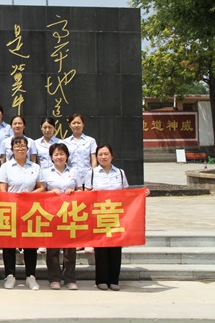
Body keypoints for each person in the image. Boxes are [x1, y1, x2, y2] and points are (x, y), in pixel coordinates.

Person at [85, 144, 147, 291]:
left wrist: (141, 194)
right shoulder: (92, 173)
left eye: (106, 154)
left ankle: (114, 280)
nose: (103, 157)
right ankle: (101, 280)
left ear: (112, 156)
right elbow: (85, 193)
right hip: (99, 215)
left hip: (116, 216)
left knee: (115, 247)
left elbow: (125, 193)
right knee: (101, 248)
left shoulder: (120, 172)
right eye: (100, 154)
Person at [0, 136, 45, 291]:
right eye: (17, 146)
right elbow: (2, 188)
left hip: (30, 210)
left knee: (30, 243)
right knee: (9, 243)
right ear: (12, 149)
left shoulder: (35, 167)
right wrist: (12, 199)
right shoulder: (6, 167)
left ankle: (30, 276)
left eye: (23, 146)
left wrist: (29, 195)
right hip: (11, 209)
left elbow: (42, 187)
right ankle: (10, 275)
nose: (20, 148)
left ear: (27, 149)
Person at [43, 142, 81, 290]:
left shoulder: (74, 171)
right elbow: (41, 192)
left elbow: (81, 190)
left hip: (70, 214)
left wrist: (74, 193)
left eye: (62, 154)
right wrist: (50, 193)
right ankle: (54, 278)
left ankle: (70, 278)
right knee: (52, 248)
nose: (59, 157)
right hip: (52, 214)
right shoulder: (46, 172)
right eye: (56, 154)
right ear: (51, 157)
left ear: (67, 156)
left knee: (70, 248)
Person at [63, 113, 98, 253]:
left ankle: (89, 241)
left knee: (89, 212)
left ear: (83, 124)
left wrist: (94, 176)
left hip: (87, 180)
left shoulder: (90, 141)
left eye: (78, 123)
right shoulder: (66, 142)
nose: (76, 125)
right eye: (73, 123)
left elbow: (93, 159)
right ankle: (77, 240)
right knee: (75, 212)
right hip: (72, 181)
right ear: (69, 125)